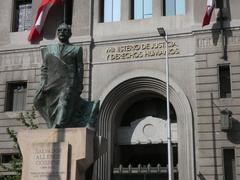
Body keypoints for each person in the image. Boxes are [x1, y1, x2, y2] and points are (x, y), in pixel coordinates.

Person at [34, 23, 99, 128]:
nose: (62, 32)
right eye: (59, 30)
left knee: (64, 100)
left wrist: (79, 84)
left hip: (69, 83)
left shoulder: (76, 49)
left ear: (69, 34)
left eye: (65, 30)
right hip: (53, 82)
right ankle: (51, 123)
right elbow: (44, 68)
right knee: (37, 101)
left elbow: (79, 68)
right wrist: (43, 82)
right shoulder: (48, 49)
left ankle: (60, 124)